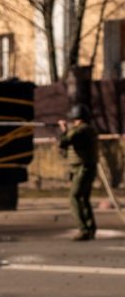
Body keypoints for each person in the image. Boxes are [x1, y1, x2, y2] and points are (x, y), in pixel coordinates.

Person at [58, 103, 99, 241]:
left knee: (74, 198)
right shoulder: (84, 129)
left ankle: (83, 229)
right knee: (83, 198)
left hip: (83, 168)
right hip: (82, 168)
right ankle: (89, 228)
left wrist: (64, 129)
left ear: (78, 118)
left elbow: (64, 141)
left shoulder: (82, 129)